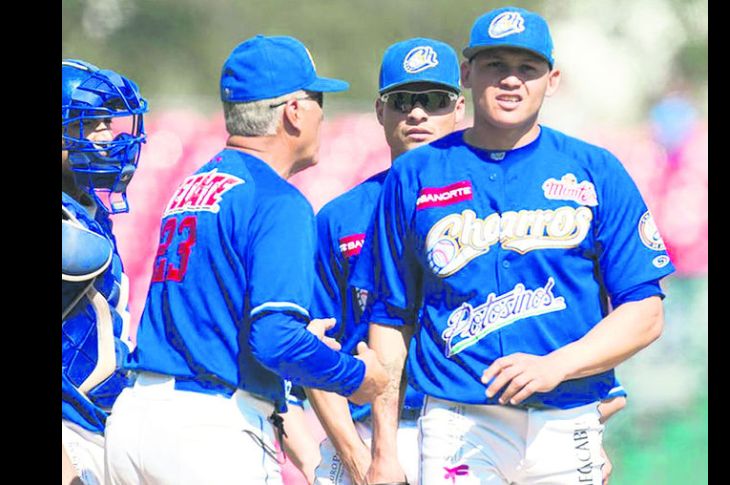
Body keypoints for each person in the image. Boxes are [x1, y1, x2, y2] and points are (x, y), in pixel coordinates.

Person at [353, 6, 675, 484]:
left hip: (568, 415)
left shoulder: (595, 169)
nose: (511, 80)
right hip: (457, 418)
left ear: (553, 79)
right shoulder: (415, 176)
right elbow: (389, 319)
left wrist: (557, 366)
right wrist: (382, 450)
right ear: (466, 73)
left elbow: (645, 312)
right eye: (495, 65)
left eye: (527, 68)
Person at [103, 35, 387, 485]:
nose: (322, 114)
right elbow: (273, 339)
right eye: (317, 100)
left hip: (136, 420)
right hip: (207, 430)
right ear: (294, 111)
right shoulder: (278, 200)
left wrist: (298, 337)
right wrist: (357, 377)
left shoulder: (194, 185)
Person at [308, 38, 466, 485]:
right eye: (402, 101)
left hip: (469, 428)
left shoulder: (494, 207)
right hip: (362, 430)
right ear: (380, 112)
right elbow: (315, 350)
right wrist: (359, 459)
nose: (417, 114)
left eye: (433, 100)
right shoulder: (340, 217)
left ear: (459, 109)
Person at [62, 58, 149, 485]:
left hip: (102, 425)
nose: (107, 138)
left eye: (106, 123)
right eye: (90, 124)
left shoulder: (89, 213)